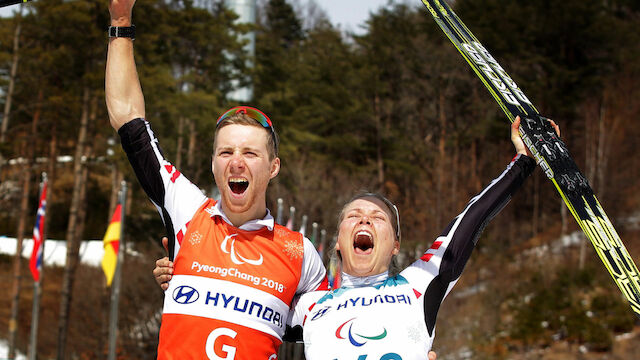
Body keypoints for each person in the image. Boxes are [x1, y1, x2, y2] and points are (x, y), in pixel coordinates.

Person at [155, 117, 559, 359]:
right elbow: (239, 304)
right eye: (353, 216)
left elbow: (468, 225)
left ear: (396, 244)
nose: (364, 218)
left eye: (378, 218)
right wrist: (183, 278)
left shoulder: (418, 284)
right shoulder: (310, 306)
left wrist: (523, 162)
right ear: (337, 241)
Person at [106, 1, 327, 358]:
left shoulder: (301, 254)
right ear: (212, 164)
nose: (236, 163)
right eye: (226, 153)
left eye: (250, 154)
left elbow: (337, 332)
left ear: (273, 167)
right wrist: (120, 21)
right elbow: (129, 122)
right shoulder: (189, 211)